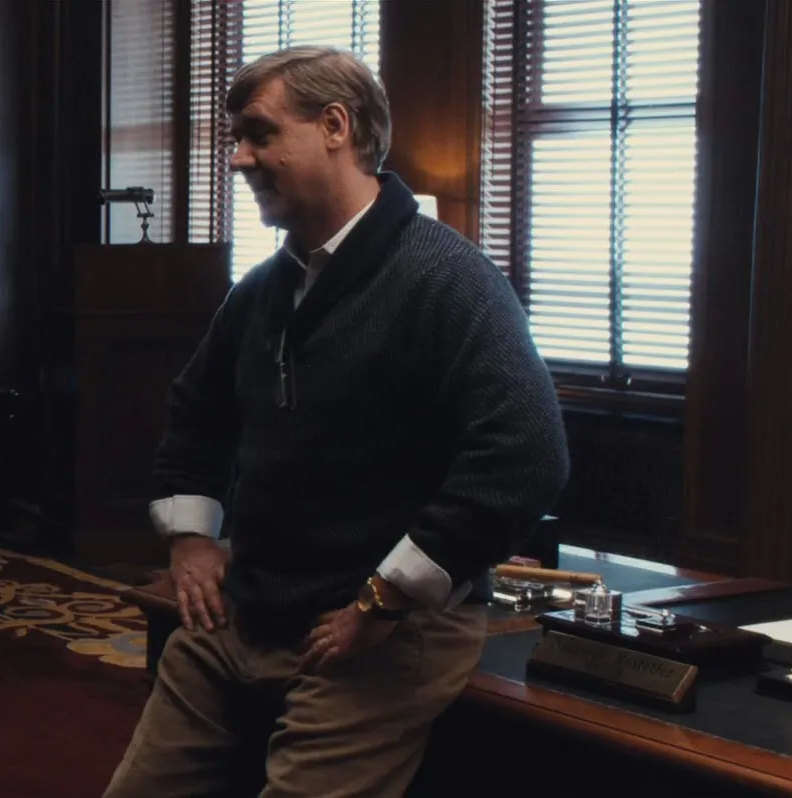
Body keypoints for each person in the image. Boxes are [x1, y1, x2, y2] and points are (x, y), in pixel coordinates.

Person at [103, 47, 569, 798]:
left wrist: (386, 599)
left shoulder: (448, 280)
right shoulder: (263, 290)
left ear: (334, 127)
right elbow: (197, 411)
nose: (238, 158)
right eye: (237, 138)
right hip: (248, 612)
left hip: (379, 633)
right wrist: (191, 540)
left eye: (259, 134)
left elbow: (528, 455)